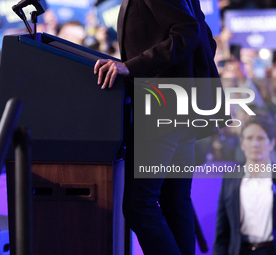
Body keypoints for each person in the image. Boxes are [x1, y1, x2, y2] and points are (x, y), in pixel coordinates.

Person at [93, 0, 229, 254]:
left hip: (163, 105)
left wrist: (131, 67)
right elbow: (205, 38)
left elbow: (188, 31)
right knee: (174, 202)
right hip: (181, 105)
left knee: (139, 206)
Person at [213, 116, 276, 255]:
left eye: (261, 138)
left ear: (272, 143)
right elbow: (222, 232)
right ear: (242, 143)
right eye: (249, 138)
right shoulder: (230, 179)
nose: (255, 144)